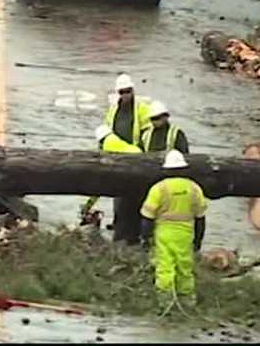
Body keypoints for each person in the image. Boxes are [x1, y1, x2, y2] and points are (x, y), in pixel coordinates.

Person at [140, 150, 207, 312]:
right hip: (186, 234)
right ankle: (187, 302)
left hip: (164, 233)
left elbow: (147, 217)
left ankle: (166, 302)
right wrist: (198, 241)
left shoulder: (159, 189)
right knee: (185, 268)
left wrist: (146, 237)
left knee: (165, 267)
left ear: (167, 170)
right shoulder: (194, 188)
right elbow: (201, 218)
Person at [103, 73, 155, 243]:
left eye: (129, 91)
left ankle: (135, 235)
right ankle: (121, 233)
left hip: (138, 160)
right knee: (120, 200)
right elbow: (108, 133)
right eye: (123, 92)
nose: (126, 95)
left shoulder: (142, 109)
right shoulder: (113, 111)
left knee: (136, 200)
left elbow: (149, 133)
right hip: (117, 161)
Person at [80, 125, 142, 226]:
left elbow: (101, 180)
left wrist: (89, 204)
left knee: (122, 200)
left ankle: (121, 226)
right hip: (139, 165)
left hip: (133, 171)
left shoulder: (108, 146)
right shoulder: (115, 140)